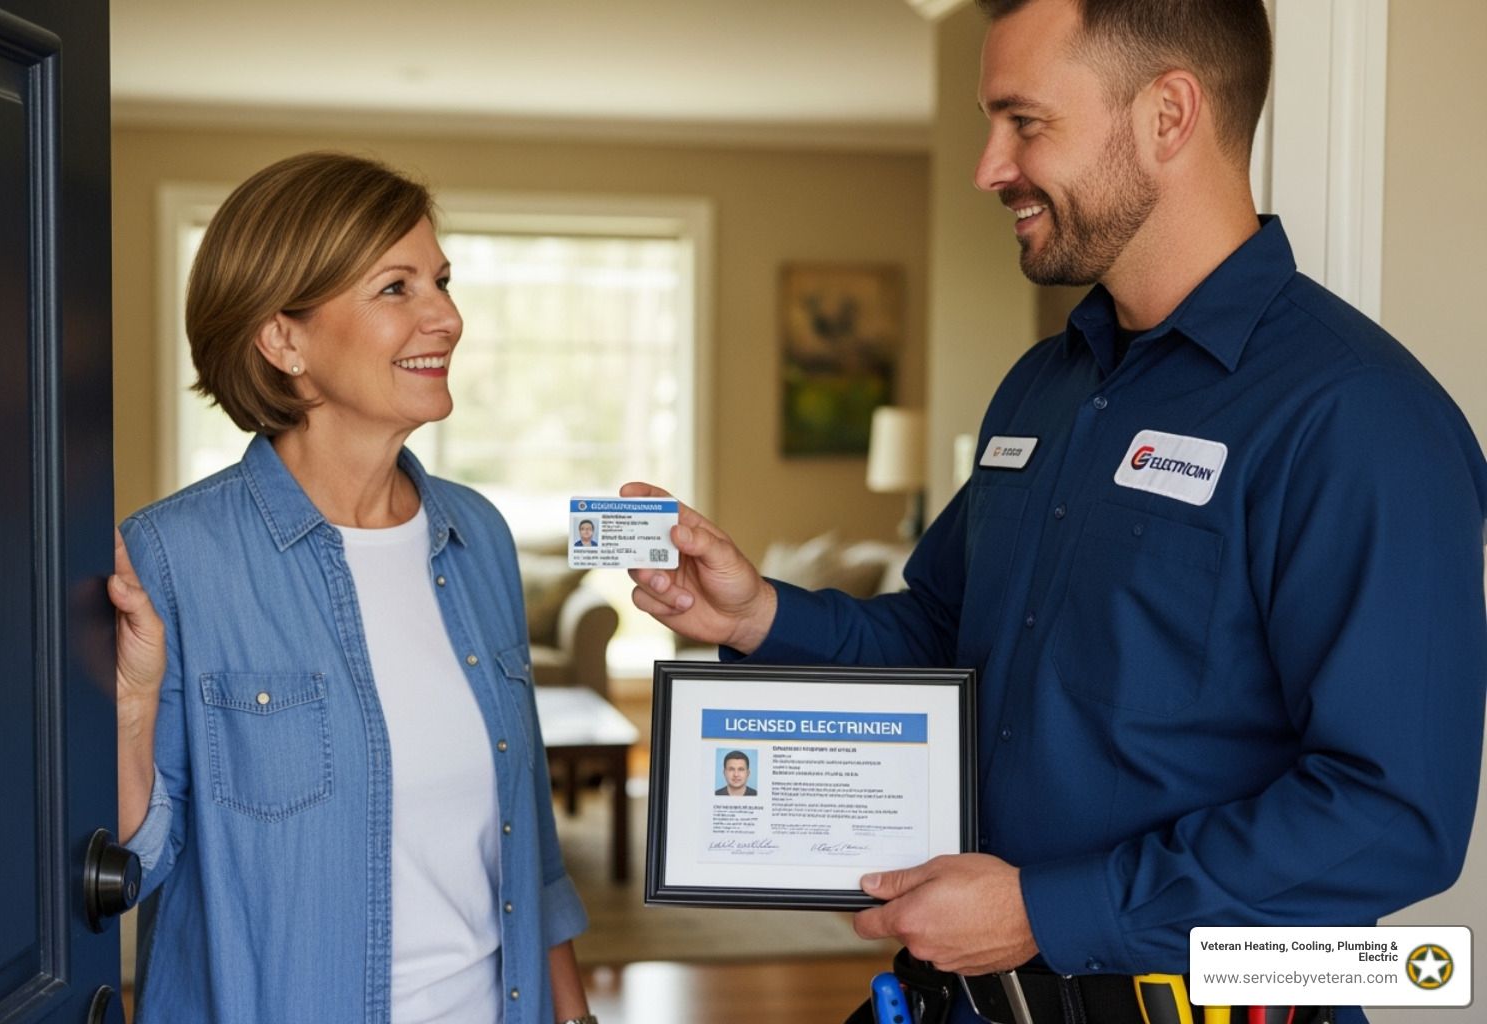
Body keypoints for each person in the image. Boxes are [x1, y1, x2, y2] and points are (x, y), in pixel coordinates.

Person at [622, 2, 1487, 1022]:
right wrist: (757, 616)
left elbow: (1389, 815)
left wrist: (1049, 909)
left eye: (1026, 123)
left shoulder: (1359, 417)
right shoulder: (1045, 385)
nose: (990, 167)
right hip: (965, 996)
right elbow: (949, 630)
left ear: (1168, 115)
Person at [109, 152, 596, 1024]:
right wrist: (131, 706)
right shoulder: (172, 556)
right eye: (396, 288)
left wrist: (576, 1015)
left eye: (441, 282)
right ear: (282, 338)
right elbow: (134, 864)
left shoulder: (475, 533)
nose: (446, 317)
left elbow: (529, 841)